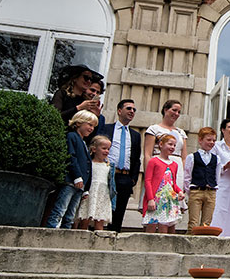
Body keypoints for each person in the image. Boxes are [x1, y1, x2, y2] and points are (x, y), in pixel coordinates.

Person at [47, 110, 99, 229]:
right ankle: (50, 231)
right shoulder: (72, 137)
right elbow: (71, 157)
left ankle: (66, 233)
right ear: (78, 123)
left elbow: (88, 166)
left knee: (71, 214)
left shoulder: (84, 142)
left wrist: (86, 188)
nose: (91, 128)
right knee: (60, 209)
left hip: (80, 185)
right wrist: (76, 177)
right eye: (89, 125)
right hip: (71, 181)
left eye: (93, 126)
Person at [100, 99, 141, 232]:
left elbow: (136, 158)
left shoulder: (135, 135)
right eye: (128, 108)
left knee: (119, 211)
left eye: (134, 110)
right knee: (101, 206)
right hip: (107, 174)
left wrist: (133, 179)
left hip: (125, 178)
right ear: (119, 111)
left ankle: (114, 235)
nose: (132, 112)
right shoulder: (106, 128)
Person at [143, 133, 185, 233]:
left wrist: (179, 191)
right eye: (170, 144)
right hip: (157, 198)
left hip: (169, 199)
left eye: (174, 145)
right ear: (161, 144)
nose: (172, 147)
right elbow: (148, 180)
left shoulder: (174, 164)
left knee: (167, 226)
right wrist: (150, 199)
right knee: (152, 224)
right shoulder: (154, 161)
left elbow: (172, 183)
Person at [76, 135, 115, 231]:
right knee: (85, 218)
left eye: (108, 149)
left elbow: (111, 185)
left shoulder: (108, 166)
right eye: (104, 148)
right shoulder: (89, 164)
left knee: (100, 220)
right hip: (90, 193)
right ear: (94, 149)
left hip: (103, 195)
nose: (107, 151)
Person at [183, 127, 219, 228]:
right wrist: (190, 191)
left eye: (213, 140)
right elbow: (187, 176)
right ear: (200, 140)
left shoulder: (216, 159)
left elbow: (217, 176)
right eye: (208, 140)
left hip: (211, 191)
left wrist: (215, 188)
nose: (211, 142)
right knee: (193, 223)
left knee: (206, 224)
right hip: (196, 191)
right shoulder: (192, 157)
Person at [143, 99, 187, 165]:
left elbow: (184, 157)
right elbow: (147, 155)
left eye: (179, 112)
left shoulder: (181, 132)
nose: (176, 114)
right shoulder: (154, 129)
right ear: (165, 110)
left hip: (177, 165)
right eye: (174, 110)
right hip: (159, 164)